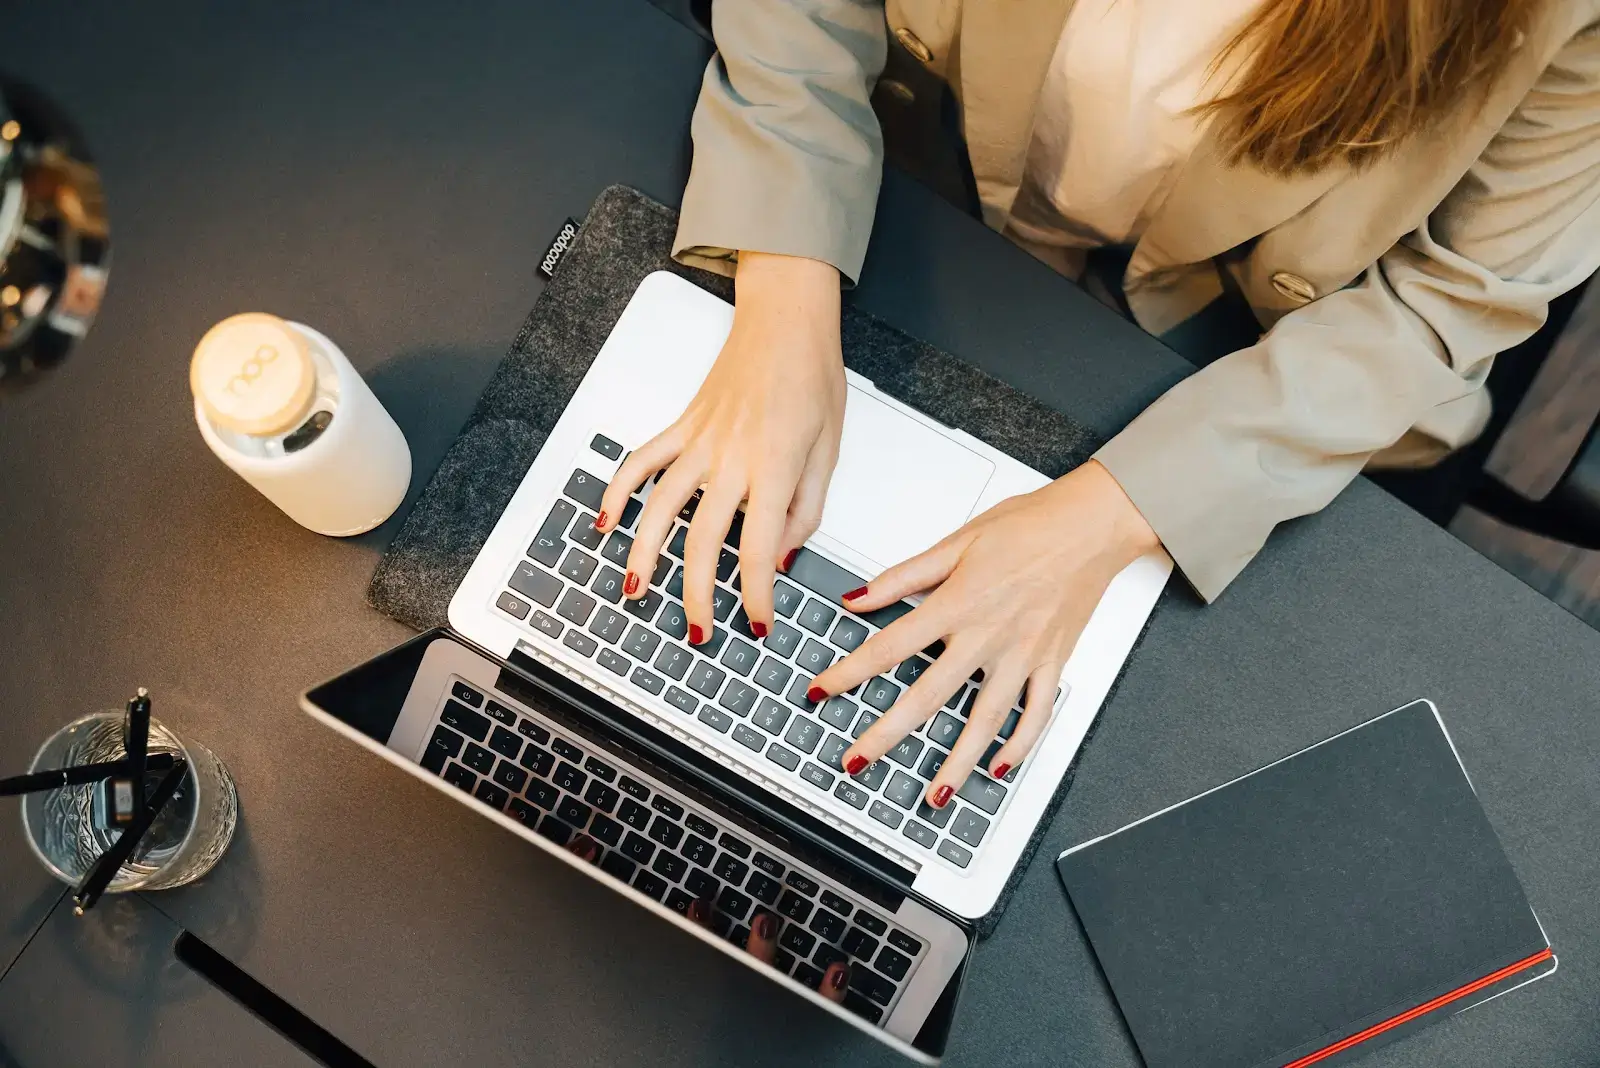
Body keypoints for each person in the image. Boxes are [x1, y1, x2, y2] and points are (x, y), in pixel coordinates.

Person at [596, 0, 1600, 813]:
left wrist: (1103, 519)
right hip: (916, 180)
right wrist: (784, 296)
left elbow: (1440, 306)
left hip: (1256, 357)